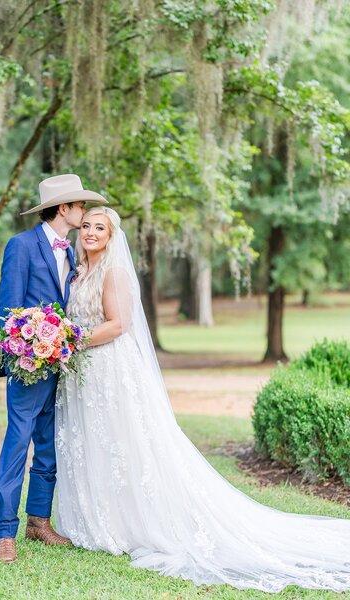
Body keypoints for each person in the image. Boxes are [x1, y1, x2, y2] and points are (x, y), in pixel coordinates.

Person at [55, 206, 350, 593]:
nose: (91, 233)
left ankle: (135, 523)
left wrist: (69, 340)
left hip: (111, 371)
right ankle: (104, 519)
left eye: (100, 228)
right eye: (87, 227)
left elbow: (118, 324)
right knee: (98, 445)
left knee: (128, 444)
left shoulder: (114, 271)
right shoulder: (79, 272)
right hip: (85, 375)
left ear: (111, 237)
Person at [0, 174, 108, 563]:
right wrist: (27, 354)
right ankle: (5, 533)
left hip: (63, 369)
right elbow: (7, 313)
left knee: (50, 447)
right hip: (29, 370)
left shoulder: (72, 254)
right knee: (17, 446)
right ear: (64, 208)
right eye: (80, 206)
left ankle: (38, 521)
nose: (83, 213)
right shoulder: (21, 246)